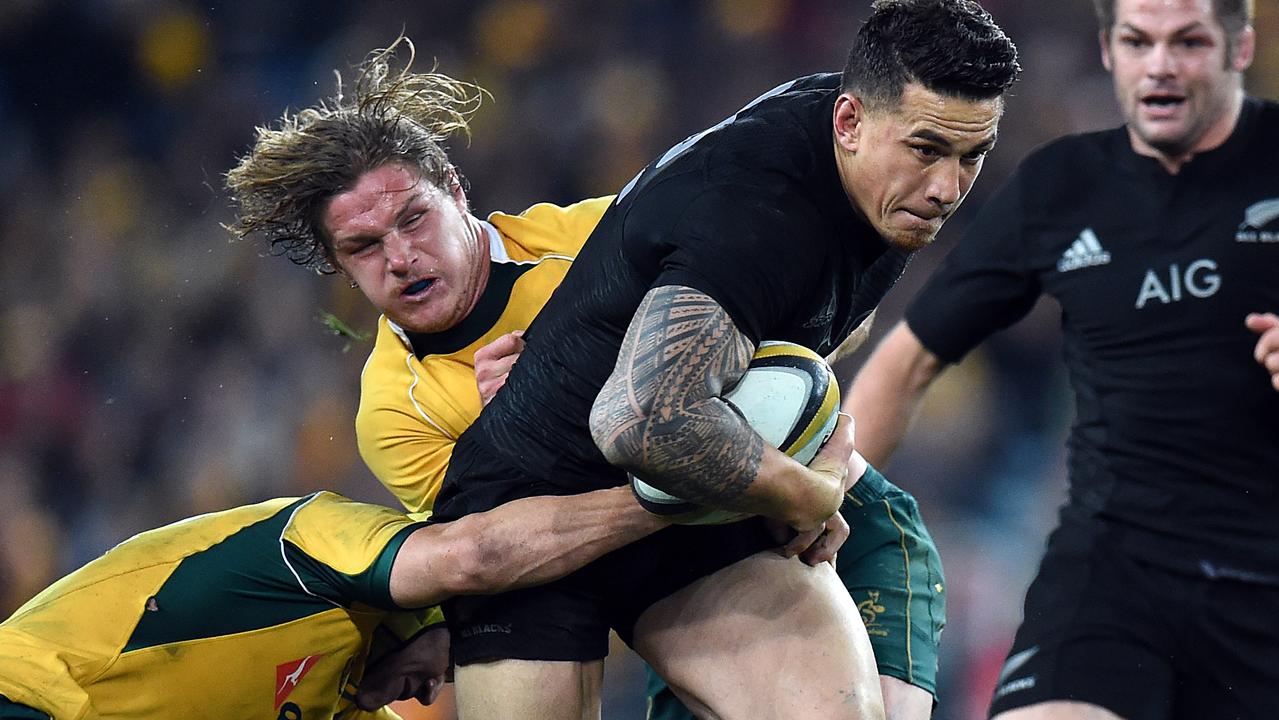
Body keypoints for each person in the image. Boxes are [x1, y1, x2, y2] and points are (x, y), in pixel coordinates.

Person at [226, 32, 961, 719]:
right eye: (364, 246)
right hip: (623, 556)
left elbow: (804, 314)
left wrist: (794, 438)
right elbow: (506, 550)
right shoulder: (393, 414)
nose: (401, 257)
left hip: (776, 525)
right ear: (337, 267)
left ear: (455, 190)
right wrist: (533, 444)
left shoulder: (593, 236)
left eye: (413, 218)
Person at [421, 1, 1014, 716]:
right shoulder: (759, 213)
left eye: (970, 156)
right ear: (848, 122)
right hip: (535, 510)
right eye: (925, 151)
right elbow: (640, 421)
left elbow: (805, 333)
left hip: (692, 505)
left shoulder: (872, 172)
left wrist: (815, 437)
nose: (947, 187)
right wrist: (804, 491)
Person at [848, 0, 1279, 717]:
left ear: (1240, 48)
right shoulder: (1059, 188)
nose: (1161, 65)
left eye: (1188, 42)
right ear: (1109, 51)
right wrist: (824, 507)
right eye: (1138, 41)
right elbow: (904, 363)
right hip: (1111, 581)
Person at [0, 486, 666, 719]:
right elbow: (474, 556)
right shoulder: (316, 537)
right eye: (458, 659)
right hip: (29, 695)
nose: (434, 692)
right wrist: (670, 502)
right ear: (443, 607)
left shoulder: (343, 700)